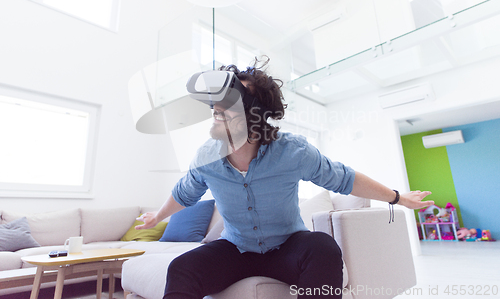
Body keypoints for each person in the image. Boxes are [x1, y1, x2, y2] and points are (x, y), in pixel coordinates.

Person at [136, 57, 434, 299]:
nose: (216, 107)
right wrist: (157, 217)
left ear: (254, 113)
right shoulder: (206, 157)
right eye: (216, 103)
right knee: (183, 267)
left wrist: (398, 197)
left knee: (323, 247)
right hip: (235, 249)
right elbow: (184, 193)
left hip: (287, 247)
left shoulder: (292, 152)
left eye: (228, 101)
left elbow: (345, 178)